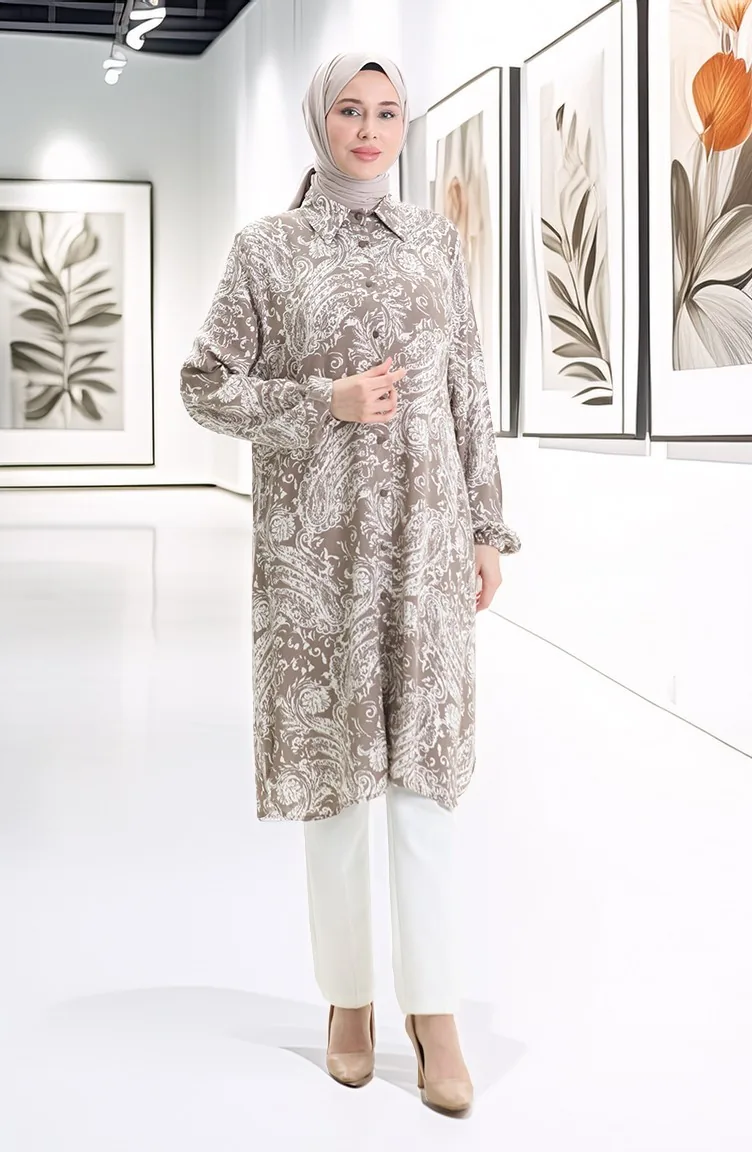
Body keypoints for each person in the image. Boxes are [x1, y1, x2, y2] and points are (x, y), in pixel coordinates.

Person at [180, 52, 521, 1119]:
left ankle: (434, 1012)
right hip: (317, 554)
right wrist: (321, 400)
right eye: (349, 109)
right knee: (336, 785)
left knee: (423, 782)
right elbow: (204, 386)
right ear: (317, 119)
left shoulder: (434, 241)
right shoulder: (266, 249)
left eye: (386, 112)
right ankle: (348, 1001)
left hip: (423, 543)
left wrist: (484, 527)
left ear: (404, 124)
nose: (368, 130)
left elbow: (466, 384)